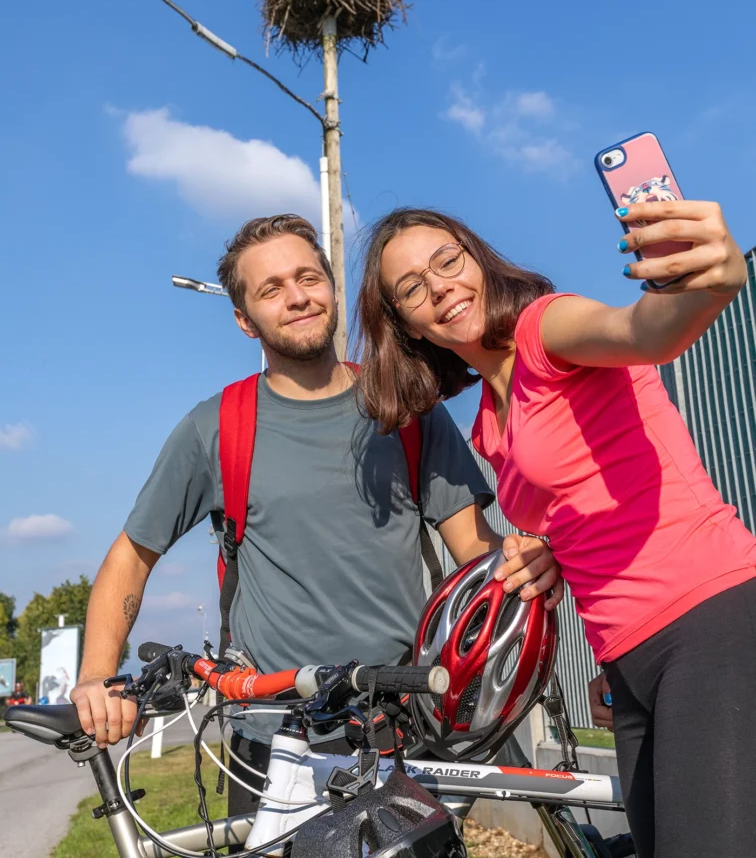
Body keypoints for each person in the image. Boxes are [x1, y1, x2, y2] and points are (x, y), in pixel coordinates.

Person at [71, 213, 562, 828]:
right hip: (271, 736)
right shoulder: (215, 427)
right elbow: (130, 556)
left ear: (331, 287)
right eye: (271, 289)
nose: (298, 297)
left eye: (308, 278)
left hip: (400, 725)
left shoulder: (404, 408)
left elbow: (476, 553)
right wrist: (97, 677)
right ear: (244, 319)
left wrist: (526, 569)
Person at [355, 202, 756, 858]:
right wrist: (549, 555)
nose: (441, 288)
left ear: (478, 259)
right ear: (404, 324)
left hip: (706, 619)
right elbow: (582, 513)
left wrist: (710, 282)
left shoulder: (546, 327)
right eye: (412, 288)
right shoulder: (487, 424)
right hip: (627, 660)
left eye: (448, 261)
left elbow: (643, 331)